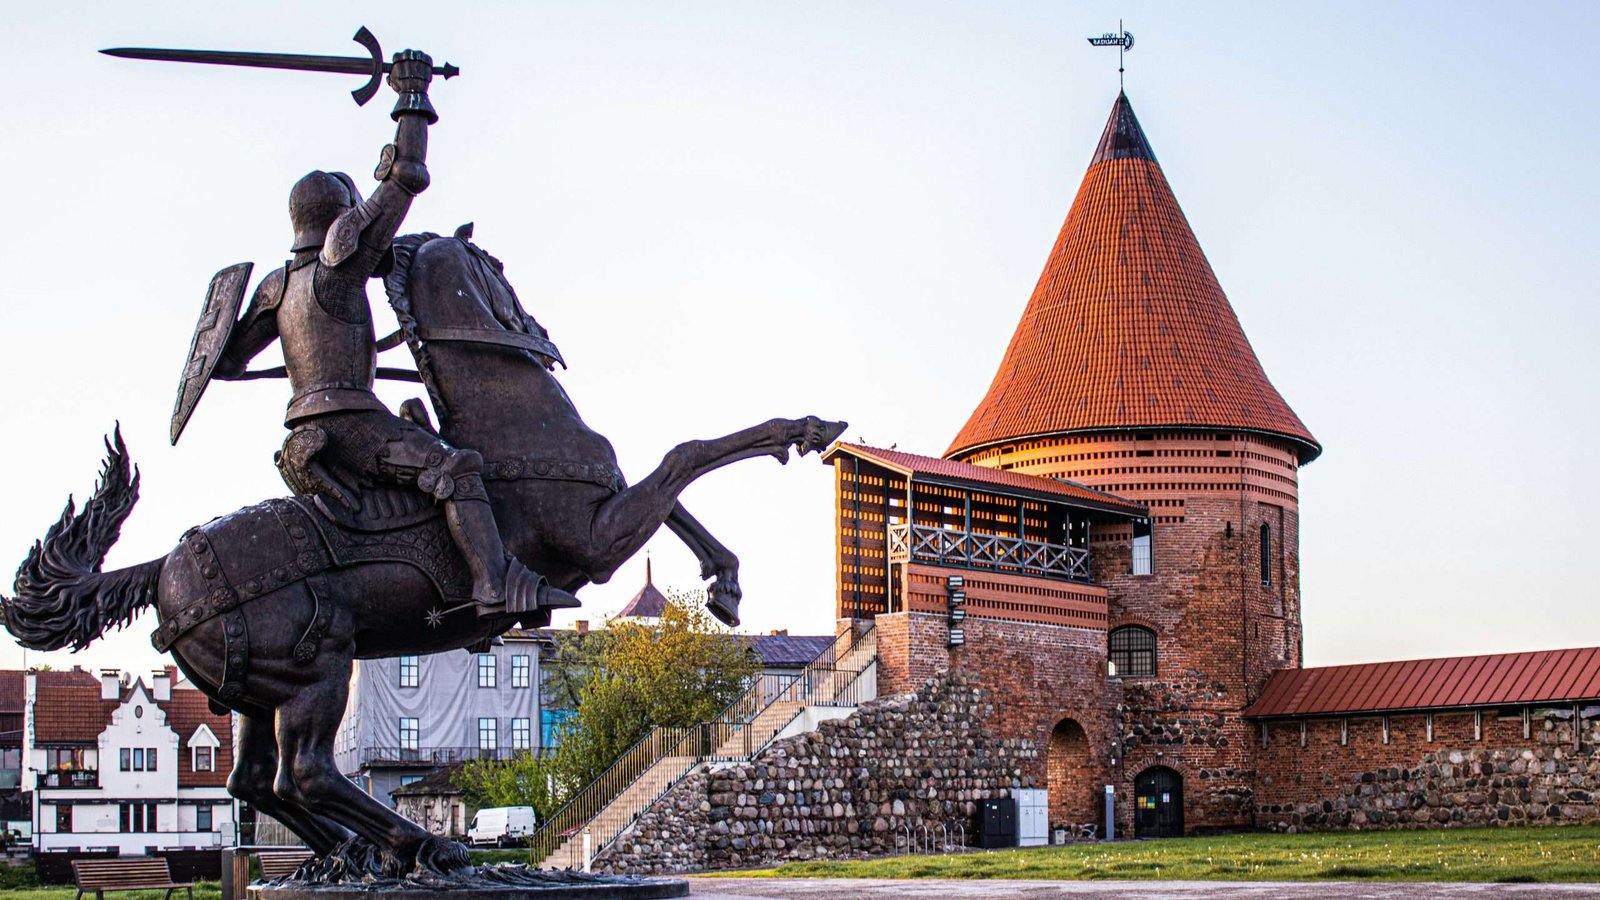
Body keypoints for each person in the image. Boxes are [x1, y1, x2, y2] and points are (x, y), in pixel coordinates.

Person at [215, 50, 572, 619]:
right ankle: (492, 586)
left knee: (413, 420)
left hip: (303, 425)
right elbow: (407, 175)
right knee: (456, 469)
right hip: (352, 424)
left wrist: (307, 370)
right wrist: (411, 93)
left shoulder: (275, 287)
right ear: (339, 216)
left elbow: (229, 364)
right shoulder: (337, 263)